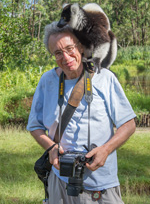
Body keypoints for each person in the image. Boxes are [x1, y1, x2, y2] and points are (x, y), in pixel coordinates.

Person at [27, 21, 136, 204]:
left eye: (70, 48)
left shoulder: (104, 78)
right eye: (58, 53)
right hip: (60, 180)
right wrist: (51, 148)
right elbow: (34, 126)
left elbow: (129, 124)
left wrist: (106, 150)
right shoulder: (47, 80)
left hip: (101, 183)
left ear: (81, 47)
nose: (66, 57)